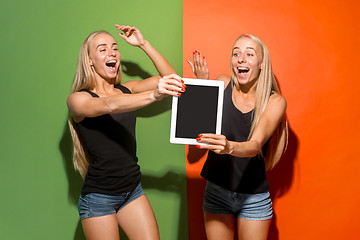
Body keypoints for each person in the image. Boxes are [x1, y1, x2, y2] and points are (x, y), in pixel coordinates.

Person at [67, 24, 185, 240]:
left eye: (114, 47)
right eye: (102, 49)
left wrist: (144, 44)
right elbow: (108, 105)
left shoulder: (127, 89)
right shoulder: (78, 100)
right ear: (89, 60)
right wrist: (153, 96)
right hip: (99, 198)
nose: (111, 52)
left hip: (132, 190)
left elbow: (173, 80)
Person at [187, 35, 288, 240]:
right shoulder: (222, 85)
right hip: (216, 192)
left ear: (261, 64)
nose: (241, 58)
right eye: (236, 53)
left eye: (249, 54)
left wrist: (228, 147)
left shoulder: (274, 101)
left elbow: (254, 145)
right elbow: (194, 151)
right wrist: (203, 87)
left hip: (254, 198)